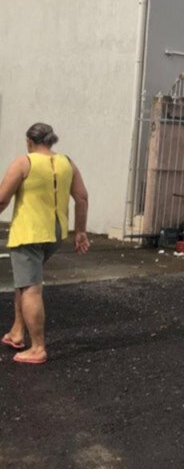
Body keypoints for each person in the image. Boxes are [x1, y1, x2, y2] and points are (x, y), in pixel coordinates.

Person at [0, 123, 89, 364]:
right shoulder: (66, 162)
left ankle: (37, 347)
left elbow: (2, 199)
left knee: (30, 287)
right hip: (54, 234)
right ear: (50, 141)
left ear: (30, 140)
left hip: (28, 234)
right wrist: (80, 231)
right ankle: (17, 331)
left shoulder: (24, 162)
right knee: (24, 281)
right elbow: (81, 197)